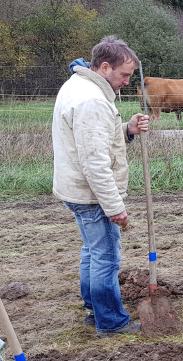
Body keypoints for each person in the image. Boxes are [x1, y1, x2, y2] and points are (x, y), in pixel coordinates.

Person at [52, 36, 149, 337]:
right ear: (105, 67)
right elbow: (94, 162)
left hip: (77, 189)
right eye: (124, 75)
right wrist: (114, 207)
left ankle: (93, 309)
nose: (126, 82)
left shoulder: (79, 86)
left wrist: (127, 131)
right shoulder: (91, 100)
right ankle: (110, 321)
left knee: (92, 251)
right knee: (106, 255)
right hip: (92, 195)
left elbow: (94, 140)